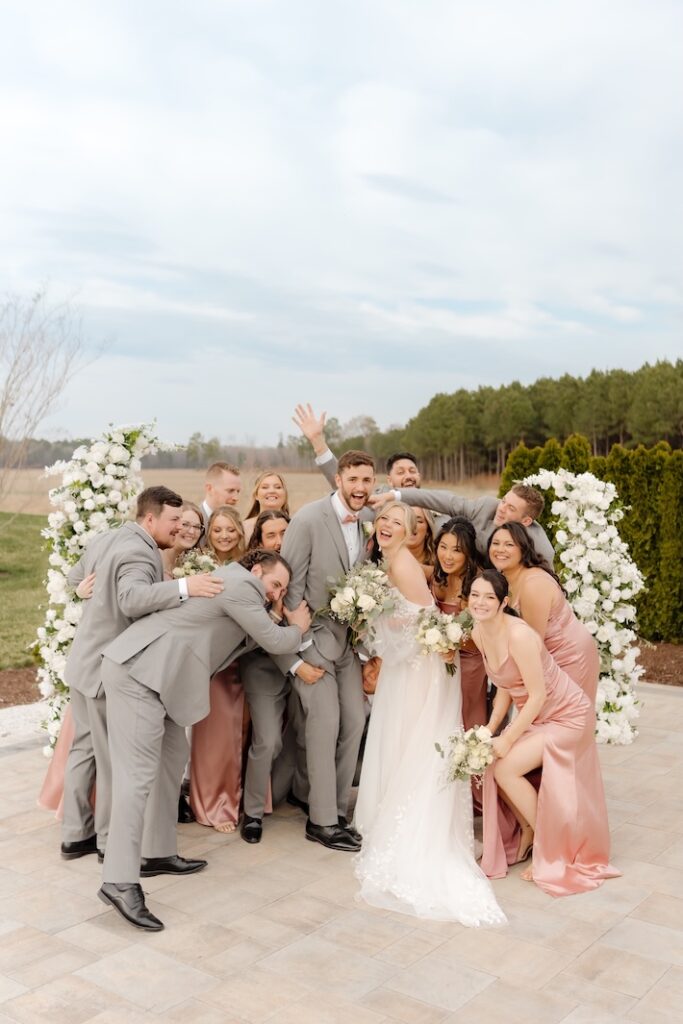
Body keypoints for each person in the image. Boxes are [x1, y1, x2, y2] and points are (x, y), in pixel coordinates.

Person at [99, 550, 311, 931]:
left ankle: (157, 852)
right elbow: (276, 641)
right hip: (138, 674)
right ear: (256, 569)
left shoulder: (240, 592)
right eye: (275, 584)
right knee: (137, 778)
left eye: (282, 590)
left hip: (159, 680)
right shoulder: (240, 584)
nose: (276, 594)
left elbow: (248, 637)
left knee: (171, 758)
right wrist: (297, 625)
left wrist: (275, 612)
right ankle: (119, 880)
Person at [353, 502, 505, 925]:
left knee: (422, 737)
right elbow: (416, 615)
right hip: (421, 663)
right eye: (382, 519)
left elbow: (420, 621)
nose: (448, 554)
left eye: (395, 522)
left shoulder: (405, 564)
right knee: (408, 736)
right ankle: (399, 805)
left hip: (431, 666)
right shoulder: (414, 567)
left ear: (411, 531)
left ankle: (436, 819)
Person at [60, 487, 223, 862]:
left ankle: (73, 835)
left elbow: (74, 577)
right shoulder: (138, 550)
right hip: (105, 669)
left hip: (81, 661)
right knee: (112, 760)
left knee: (83, 750)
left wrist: (84, 591)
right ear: (150, 519)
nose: (179, 526)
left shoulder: (108, 537)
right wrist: (185, 586)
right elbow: (131, 599)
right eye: (173, 520)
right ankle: (105, 842)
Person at [469, 569, 619, 897]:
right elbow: (506, 685)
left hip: (567, 716)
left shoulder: (519, 635)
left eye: (488, 597)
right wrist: (489, 730)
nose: (480, 603)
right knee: (494, 765)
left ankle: (548, 848)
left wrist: (508, 737)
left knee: (506, 766)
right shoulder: (480, 632)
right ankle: (527, 829)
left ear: (503, 602)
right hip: (540, 716)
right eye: (474, 595)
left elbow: (536, 695)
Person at [277, 449, 375, 852]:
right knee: (324, 725)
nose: (360, 488)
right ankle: (321, 822)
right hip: (314, 639)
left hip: (349, 643)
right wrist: (300, 648)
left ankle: (335, 810)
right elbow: (287, 586)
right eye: (353, 479)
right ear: (338, 479)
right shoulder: (307, 519)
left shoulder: (370, 520)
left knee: (354, 722)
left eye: (367, 480)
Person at [240, 510, 324, 843]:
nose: (280, 541)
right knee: (269, 740)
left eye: (285, 533)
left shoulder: (299, 569)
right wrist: (295, 664)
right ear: (260, 543)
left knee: (304, 734)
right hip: (264, 669)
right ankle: (252, 813)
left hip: (305, 663)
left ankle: (296, 793)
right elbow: (266, 637)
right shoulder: (256, 580)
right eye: (271, 535)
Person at [487, 522, 600, 703]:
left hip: (568, 658)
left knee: (562, 720)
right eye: (496, 543)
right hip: (542, 656)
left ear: (523, 549)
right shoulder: (502, 580)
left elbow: (532, 646)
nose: (500, 549)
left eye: (509, 544)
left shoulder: (533, 584)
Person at [190, 505, 247, 833]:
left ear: (240, 532)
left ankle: (241, 799)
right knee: (215, 735)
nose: (224, 536)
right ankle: (212, 804)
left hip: (244, 658)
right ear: (208, 534)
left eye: (230, 530)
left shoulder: (248, 567)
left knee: (243, 734)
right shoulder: (198, 567)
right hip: (211, 663)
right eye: (217, 530)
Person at [370, 482, 555, 563]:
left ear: (526, 520)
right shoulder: (486, 507)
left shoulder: (540, 548)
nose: (502, 508)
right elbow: (443, 500)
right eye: (504, 501)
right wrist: (393, 495)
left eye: (511, 509)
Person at [428, 517, 488, 731]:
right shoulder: (439, 576)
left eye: (456, 550)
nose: (448, 556)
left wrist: (453, 643)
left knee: (464, 717)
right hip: (439, 661)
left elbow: (484, 638)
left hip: (470, 661)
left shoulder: (479, 585)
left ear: (468, 553)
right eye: (443, 547)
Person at [243, 471, 289, 545]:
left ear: (285, 494)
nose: (272, 491)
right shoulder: (244, 528)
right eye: (265, 487)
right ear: (256, 495)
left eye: (278, 487)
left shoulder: (294, 526)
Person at [160, 501, 204, 578]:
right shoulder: (154, 558)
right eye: (185, 524)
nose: (191, 531)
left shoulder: (195, 562)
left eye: (197, 527)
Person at [201, 461, 241, 529]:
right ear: (210, 489)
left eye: (238, 491)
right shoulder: (193, 523)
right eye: (230, 491)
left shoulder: (238, 524)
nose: (236, 498)